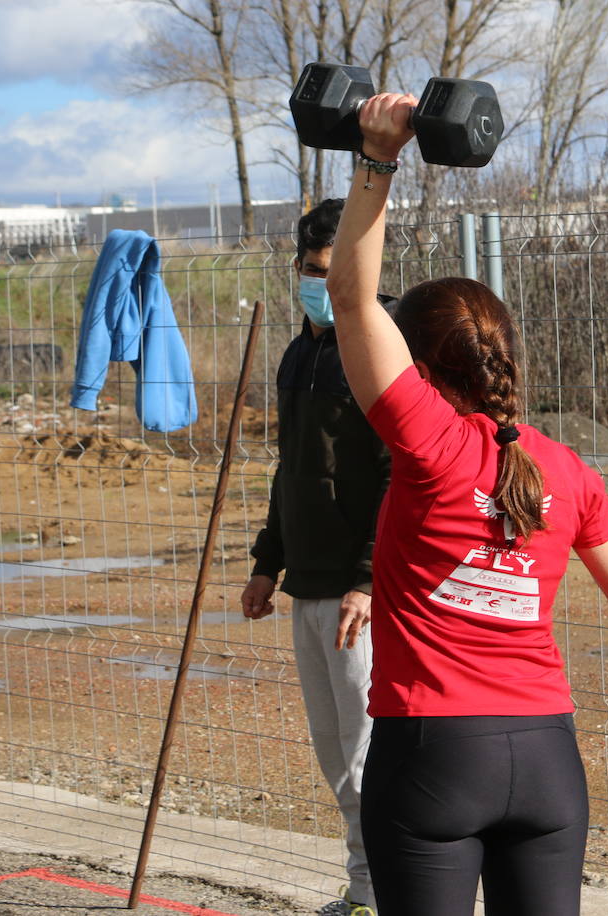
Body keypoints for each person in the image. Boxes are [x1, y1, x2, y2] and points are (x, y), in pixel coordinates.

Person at [322, 93, 608, 916]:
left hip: (431, 756)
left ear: (420, 365)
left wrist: (379, 160)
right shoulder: (568, 471)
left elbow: (351, 301)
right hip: (546, 761)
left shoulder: (427, 443)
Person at [242, 199, 391, 916]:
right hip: (308, 584)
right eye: (312, 271)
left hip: (364, 595)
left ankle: (388, 893)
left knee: (372, 760)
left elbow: (402, 475)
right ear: (297, 266)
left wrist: (369, 579)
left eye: (337, 273)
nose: (323, 287)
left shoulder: (383, 344)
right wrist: (267, 562)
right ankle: (364, 889)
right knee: (336, 757)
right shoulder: (300, 351)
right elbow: (290, 467)